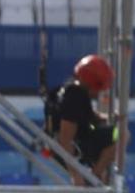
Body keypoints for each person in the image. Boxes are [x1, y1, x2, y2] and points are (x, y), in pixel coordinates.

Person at [44, 53, 121, 181]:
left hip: (82, 139)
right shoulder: (75, 98)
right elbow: (65, 140)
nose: (100, 92)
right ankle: (94, 176)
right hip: (78, 145)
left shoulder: (74, 91)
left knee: (118, 133)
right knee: (121, 136)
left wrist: (110, 117)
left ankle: (98, 175)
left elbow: (88, 116)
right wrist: (76, 175)